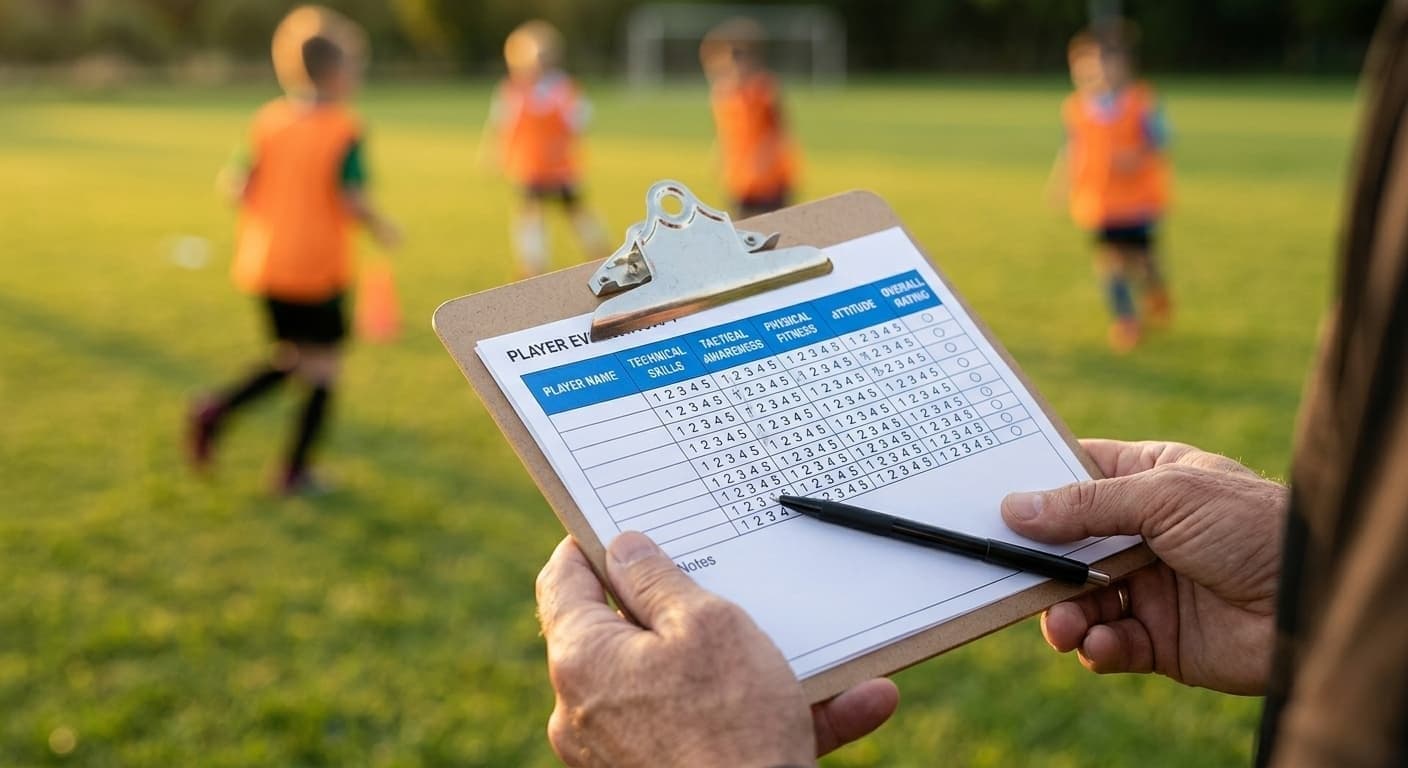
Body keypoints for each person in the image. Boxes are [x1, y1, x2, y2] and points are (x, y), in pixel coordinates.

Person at [534, 4, 1408, 765]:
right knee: (1109, 257)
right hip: (1324, 637)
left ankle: (1151, 298)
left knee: (1134, 256)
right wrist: (1314, 588)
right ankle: (1132, 309)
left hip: (1121, 192)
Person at [187, 6, 399, 495]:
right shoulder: (344, 128)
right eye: (354, 66)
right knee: (323, 369)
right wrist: (382, 228)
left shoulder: (269, 119)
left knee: (292, 360)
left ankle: (215, 409)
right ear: (336, 71)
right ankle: (294, 472)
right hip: (315, 266)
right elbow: (353, 198)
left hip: (265, 264)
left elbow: (235, 186)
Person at [1054, 25, 1172, 353]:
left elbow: (1160, 138)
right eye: (1087, 64)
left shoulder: (1141, 100)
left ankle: (1155, 291)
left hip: (1137, 202)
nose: (1096, 70)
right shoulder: (1077, 107)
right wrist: (1061, 184)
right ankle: (1126, 320)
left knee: (1143, 259)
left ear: (1124, 64)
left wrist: (1137, 155)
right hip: (1099, 203)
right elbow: (1072, 149)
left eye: (1105, 61)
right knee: (1111, 263)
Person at [482, 20, 609, 278]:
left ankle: (601, 255)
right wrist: (496, 154)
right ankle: (533, 265)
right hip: (530, 166)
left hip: (560, 166)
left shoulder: (563, 88)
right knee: (530, 214)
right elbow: (504, 125)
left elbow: (580, 120)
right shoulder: (515, 90)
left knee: (576, 210)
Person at [700, 17, 800, 218]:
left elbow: (779, 130)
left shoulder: (762, 90)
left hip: (768, 181)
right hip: (738, 180)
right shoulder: (723, 95)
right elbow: (726, 133)